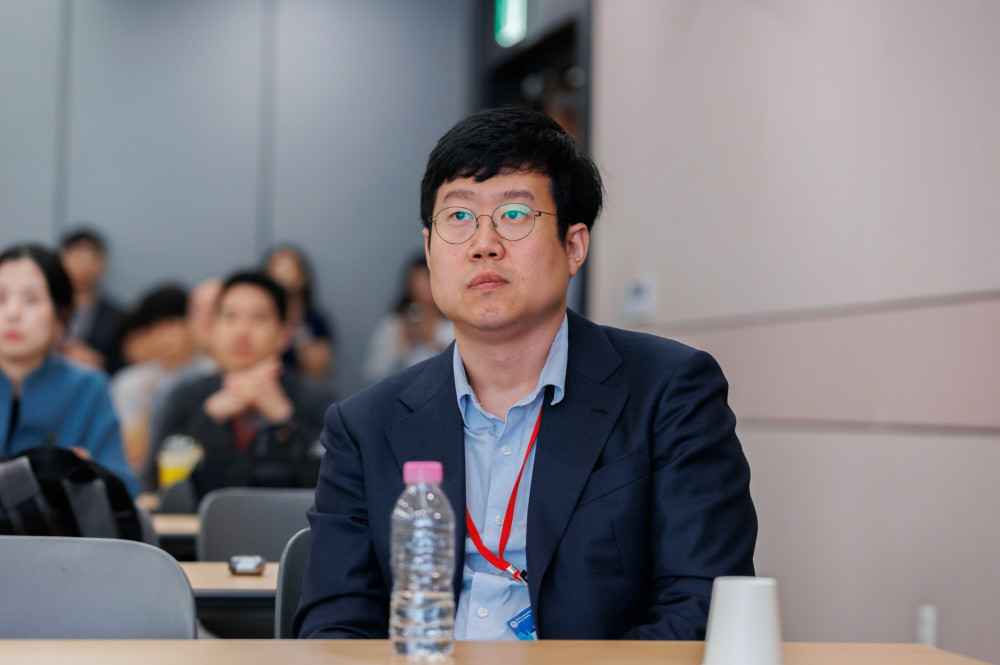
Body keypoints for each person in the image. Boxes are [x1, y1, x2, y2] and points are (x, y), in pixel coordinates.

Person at [294, 108, 757, 640]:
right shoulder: (365, 425)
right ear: (429, 250)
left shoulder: (669, 392)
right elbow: (335, 624)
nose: (483, 243)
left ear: (574, 246)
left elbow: (700, 607)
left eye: (514, 214)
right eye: (458, 216)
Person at [156, 271, 334, 498]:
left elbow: (336, 481)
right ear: (212, 329)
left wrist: (285, 419)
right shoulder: (186, 395)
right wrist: (210, 417)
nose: (242, 331)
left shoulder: (317, 399)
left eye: (258, 318)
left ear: (284, 334)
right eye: (230, 317)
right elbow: (158, 481)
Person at [0, 244, 140, 497]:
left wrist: (91, 473)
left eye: (31, 299)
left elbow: (123, 487)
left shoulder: (88, 387)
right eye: (1, 298)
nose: (12, 314)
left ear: (61, 316)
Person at [110, 284, 196, 473]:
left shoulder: (211, 372)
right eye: (155, 328)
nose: (165, 336)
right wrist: (153, 402)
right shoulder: (130, 383)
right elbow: (128, 455)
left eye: (172, 324)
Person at [361, 254, 453, 384]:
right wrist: (401, 344)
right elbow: (372, 374)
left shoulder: (454, 325)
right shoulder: (394, 324)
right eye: (417, 281)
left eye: (427, 279)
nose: (423, 287)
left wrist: (432, 341)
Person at [58, 227, 125, 373]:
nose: (81, 265)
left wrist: (100, 362)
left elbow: (126, 363)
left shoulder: (119, 317)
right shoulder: (45, 308)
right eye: (76, 257)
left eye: (88, 258)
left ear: (102, 264)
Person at [262, 245, 335, 380]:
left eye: (290, 268)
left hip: (300, 386)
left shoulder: (315, 320)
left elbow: (318, 370)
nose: (283, 275)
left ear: (303, 277)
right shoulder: (259, 317)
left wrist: (298, 326)